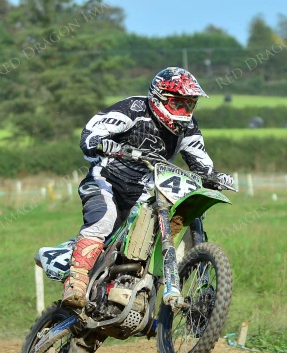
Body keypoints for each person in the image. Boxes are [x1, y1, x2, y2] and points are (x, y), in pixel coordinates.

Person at [61, 67, 234, 308]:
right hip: (106, 180)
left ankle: (143, 297)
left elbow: (202, 162)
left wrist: (215, 177)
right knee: (104, 218)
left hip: (143, 193)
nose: (184, 112)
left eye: (189, 105)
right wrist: (105, 145)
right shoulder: (132, 110)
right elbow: (90, 136)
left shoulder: (188, 127)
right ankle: (75, 284)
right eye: (178, 105)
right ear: (159, 99)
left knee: (156, 236)